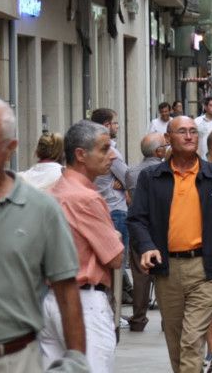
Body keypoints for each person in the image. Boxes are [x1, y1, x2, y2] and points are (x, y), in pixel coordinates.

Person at [0, 97, 86, 373]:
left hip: (17, 359)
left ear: (10, 149)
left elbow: (67, 291)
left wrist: (75, 361)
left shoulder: (42, 210)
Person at [127, 115, 212, 373]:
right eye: (182, 131)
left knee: (191, 341)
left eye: (193, 132)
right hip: (168, 271)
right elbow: (137, 219)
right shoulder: (151, 177)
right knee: (176, 343)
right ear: (167, 138)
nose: (189, 136)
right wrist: (148, 245)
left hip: (204, 269)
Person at [40, 120, 125, 372]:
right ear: (80, 155)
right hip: (84, 302)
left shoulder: (54, 192)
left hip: (49, 301)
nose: (112, 156)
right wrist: (116, 236)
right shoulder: (86, 198)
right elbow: (116, 258)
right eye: (104, 148)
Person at [124, 132, 165, 332]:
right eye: (164, 147)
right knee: (164, 274)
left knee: (140, 275)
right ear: (158, 151)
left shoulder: (131, 172)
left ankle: (139, 318)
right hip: (161, 226)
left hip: (138, 226)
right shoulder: (164, 171)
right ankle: (168, 319)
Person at [90, 108, 131, 301]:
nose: (117, 126)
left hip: (102, 210)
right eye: (115, 123)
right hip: (116, 210)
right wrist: (122, 184)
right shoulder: (111, 151)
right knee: (116, 266)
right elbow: (129, 177)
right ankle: (112, 310)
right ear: (106, 125)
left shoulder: (92, 148)